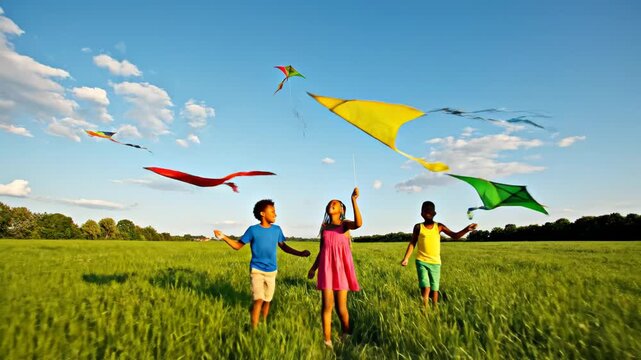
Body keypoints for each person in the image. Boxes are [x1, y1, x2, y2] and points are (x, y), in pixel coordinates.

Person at [214, 199, 310, 328]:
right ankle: (254, 329)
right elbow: (237, 246)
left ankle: (263, 325)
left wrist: (300, 253)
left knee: (267, 301)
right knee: (258, 300)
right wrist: (223, 236)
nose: (275, 214)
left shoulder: (277, 230)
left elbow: (284, 246)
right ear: (262, 213)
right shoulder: (253, 230)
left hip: (271, 271)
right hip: (257, 270)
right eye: (272, 211)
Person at [308, 188, 362, 348]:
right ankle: (327, 340)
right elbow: (322, 250)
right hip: (326, 270)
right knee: (326, 306)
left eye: (336, 203)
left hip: (341, 271)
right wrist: (313, 268)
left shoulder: (344, 225)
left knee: (341, 307)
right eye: (330, 203)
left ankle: (347, 333)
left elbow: (358, 224)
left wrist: (354, 200)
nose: (332, 203)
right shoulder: (324, 227)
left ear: (341, 210)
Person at [400, 201, 477, 307]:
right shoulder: (418, 227)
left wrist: (466, 229)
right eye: (425, 211)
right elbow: (413, 242)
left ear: (434, 213)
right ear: (421, 213)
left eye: (429, 211)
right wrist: (406, 258)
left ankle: (435, 309)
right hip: (421, 261)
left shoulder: (439, 226)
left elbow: (454, 236)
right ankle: (425, 310)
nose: (427, 213)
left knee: (435, 289)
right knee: (425, 286)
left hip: (435, 263)